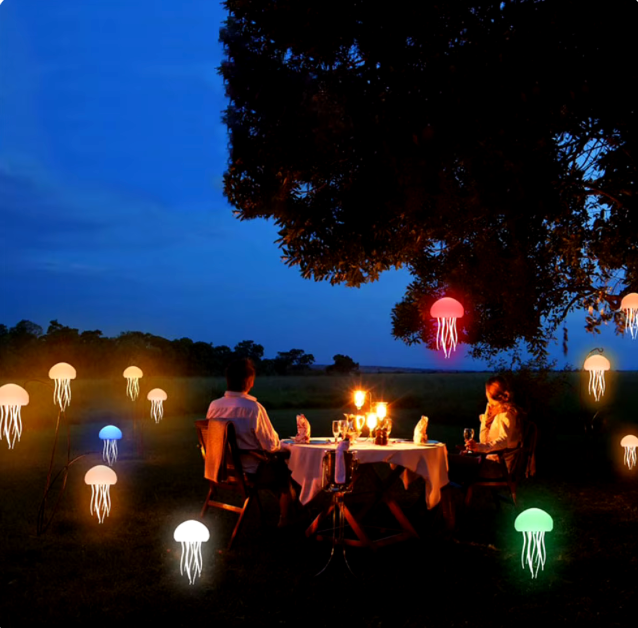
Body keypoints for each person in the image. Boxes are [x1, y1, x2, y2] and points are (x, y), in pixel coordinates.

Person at [206, 357, 299, 526]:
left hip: (221, 468)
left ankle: (262, 512)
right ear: (249, 382)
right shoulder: (253, 409)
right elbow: (270, 446)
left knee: (276, 470)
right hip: (251, 471)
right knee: (286, 471)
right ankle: (286, 520)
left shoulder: (214, 406)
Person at [448, 375, 523, 484]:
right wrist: (486, 418)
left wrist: (479, 447)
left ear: (490, 394)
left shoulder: (506, 415)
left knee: (447, 460)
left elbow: (503, 442)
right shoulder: (498, 414)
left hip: (496, 468)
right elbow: (484, 441)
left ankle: (434, 496)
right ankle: (438, 495)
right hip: (487, 462)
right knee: (446, 460)